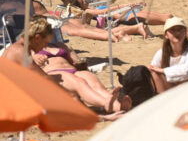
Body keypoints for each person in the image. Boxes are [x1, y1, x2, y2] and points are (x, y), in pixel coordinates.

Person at [0, 16, 129, 116]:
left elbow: (75, 61)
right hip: (51, 76)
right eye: (45, 42)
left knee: (96, 85)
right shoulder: (24, 51)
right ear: (37, 37)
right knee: (80, 83)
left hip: (70, 71)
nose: (45, 46)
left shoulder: (55, 46)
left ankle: (117, 107)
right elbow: (38, 75)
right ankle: (106, 104)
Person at [148, 16, 188, 93]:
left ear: (186, 33)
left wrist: (162, 71)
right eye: (173, 30)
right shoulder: (162, 52)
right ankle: (164, 100)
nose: (177, 33)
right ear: (166, 35)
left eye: (181, 30)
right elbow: (152, 69)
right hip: (171, 88)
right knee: (154, 74)